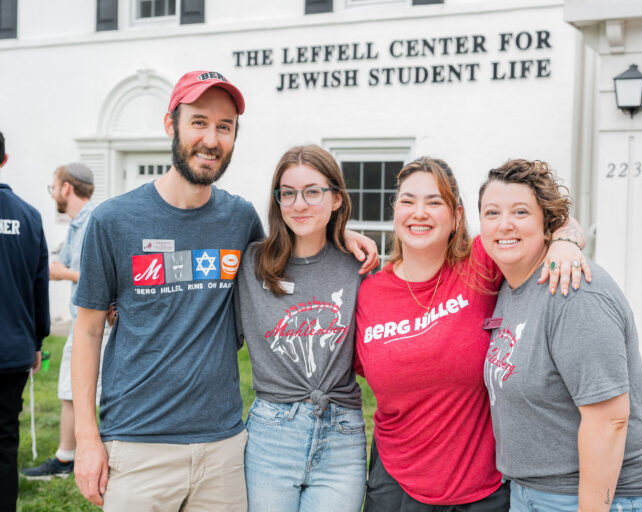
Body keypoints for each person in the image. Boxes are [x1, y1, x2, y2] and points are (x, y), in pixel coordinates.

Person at [71, 70, 376, 511]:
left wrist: (343, 237)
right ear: (170, 124)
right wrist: (86, 438)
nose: (211, 138)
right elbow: (87, 332)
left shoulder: (239, 220)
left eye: (224, 126)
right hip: (138, 443)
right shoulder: (113, 220)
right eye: (198, 122)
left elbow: (292, 250)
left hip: (223, 447)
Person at [355, 157, 588, 511]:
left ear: (457, 217)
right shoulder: (369, 291)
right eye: (408, 201)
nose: (419, 212)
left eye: (434, 202)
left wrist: (565, 243)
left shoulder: (481, 262)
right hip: (396, 483)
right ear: (395, 212)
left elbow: (557, 220)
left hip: (484, 488)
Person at [478, 159, 642, 512]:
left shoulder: (573, 292)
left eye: (520, 212)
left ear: (547, 222)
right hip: (533, 492)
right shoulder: (511, 284)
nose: (504, 224)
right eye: (492, 213)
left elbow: (609, 419)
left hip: (597, 497)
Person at [236, 145, 367, 512]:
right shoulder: (251, 265)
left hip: (342, 433)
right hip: (271, 433)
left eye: (313, 191)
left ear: (337, 198)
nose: (299, 204)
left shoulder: (358, 267)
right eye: (288, 193)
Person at [22, 162, 96, 481]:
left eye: (53, 187)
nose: (52, 194)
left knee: (72, 389)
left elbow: (101, 276)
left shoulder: (93, 221)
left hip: (94, 326)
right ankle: (69, 456)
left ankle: (67, 460)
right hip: (84, 322)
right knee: (71, 389)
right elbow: (62, 263)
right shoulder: (78, 224)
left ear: (66, 187)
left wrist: (63, 273)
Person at [0, 130, 50, 510]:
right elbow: (39, 286)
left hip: (14, 348)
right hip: (13, 350)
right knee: (4, 440)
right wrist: (37, 342)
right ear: (4, 160)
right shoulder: (28, 216)